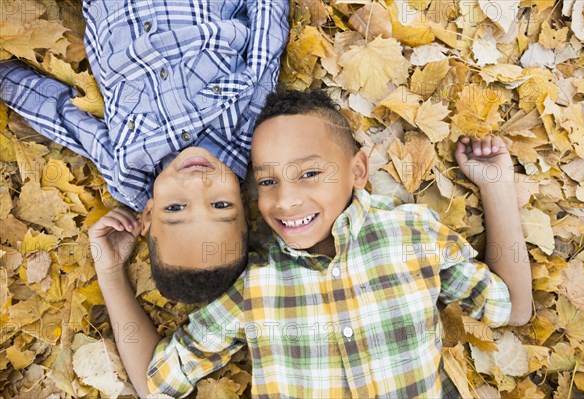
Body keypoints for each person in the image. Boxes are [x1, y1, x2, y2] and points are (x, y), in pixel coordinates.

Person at [89, 90, 533, 397]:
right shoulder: (254, 289)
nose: (285, 199)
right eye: (267, 180)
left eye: (310, 173)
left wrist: (495, 186)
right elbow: (157, 383)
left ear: (358, 171)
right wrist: (110, 272)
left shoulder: (412, 234)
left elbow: (512, 309)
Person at [0, 0, 289, 303]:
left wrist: (5, 78)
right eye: (220, 205)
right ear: (244, 207)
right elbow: (265, 47)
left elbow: (63, 118)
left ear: (148, 214)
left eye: (175, 208)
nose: (197, 184)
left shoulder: (127, 173)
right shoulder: (250, 130)